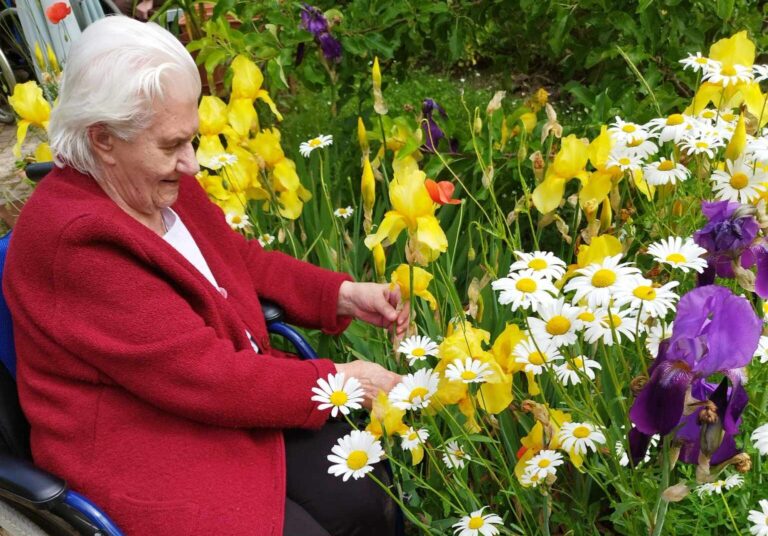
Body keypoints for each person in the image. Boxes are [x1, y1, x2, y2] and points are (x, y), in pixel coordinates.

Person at [3, 16, 406, 536]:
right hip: (149, 443)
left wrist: (342, 295)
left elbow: (235, 258)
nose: (191, 163)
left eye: (189, 140)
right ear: (102, 138)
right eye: (172, 145)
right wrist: (341, 382)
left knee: (371, 500)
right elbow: (202, 375)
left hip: (224, 400)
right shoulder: (73, 241)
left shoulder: (153, 176)